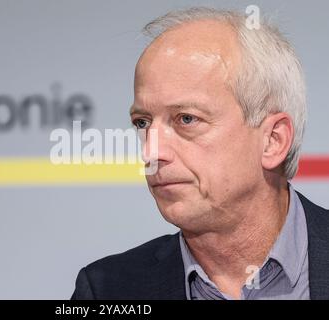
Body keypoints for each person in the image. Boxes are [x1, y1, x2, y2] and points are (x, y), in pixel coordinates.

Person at [71, 7, 329, 300]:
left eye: (186, 119)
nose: (152, 151)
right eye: (142, 122)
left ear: (272, 140)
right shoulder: (108, 290)